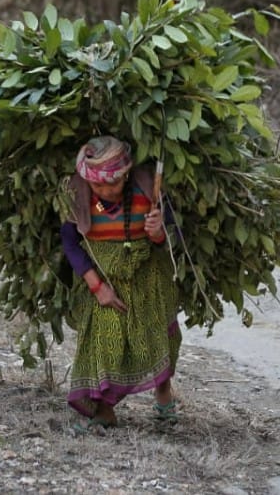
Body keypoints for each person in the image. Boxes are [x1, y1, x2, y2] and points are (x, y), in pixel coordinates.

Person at [60, 136, 181, 432]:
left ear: (126, 174)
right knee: (106, 337)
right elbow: (70, 244)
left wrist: (157, 232)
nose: (105, 190)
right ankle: (104, 410)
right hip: (101, 276)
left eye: (112, 184)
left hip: (147, 276)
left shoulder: (149, 190)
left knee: (153, 337)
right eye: (97, 185)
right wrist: (97, 287)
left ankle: (163, 392)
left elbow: (171, 236)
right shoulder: (76, 195)